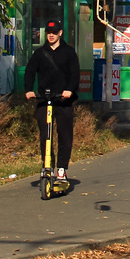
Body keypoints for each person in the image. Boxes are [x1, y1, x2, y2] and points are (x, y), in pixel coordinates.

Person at [24, 20, 79, 181]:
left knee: (64, 134)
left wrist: (69, 90)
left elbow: (75, 73)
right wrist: (28, 89)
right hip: (44, 98)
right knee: (45, 134)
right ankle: (47, 165)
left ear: (60, 33)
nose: (51, 35)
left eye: (54, 32)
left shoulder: (69, 52)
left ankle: (61, 168)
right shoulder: (40, 53)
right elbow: (29, 71)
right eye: (49, 32)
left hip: (63, 99)